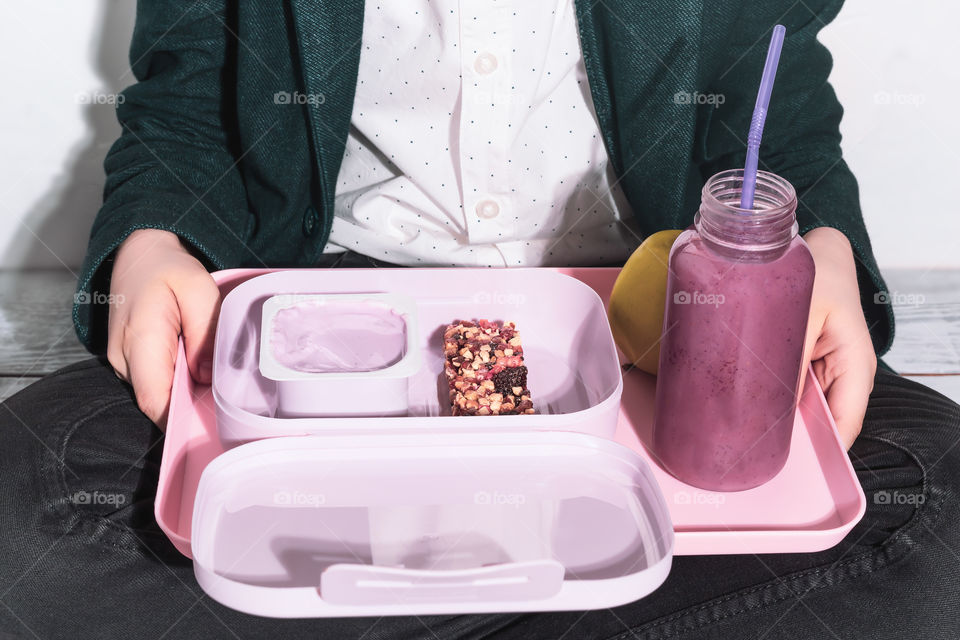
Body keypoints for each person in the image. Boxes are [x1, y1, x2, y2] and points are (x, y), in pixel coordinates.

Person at [1, 0, 958, 638]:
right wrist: (154, 238)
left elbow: (774, 92)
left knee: (938, 532)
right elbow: (184, 99)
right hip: (333, 294)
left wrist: (818, 243)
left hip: (648, 307)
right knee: (29, 517)